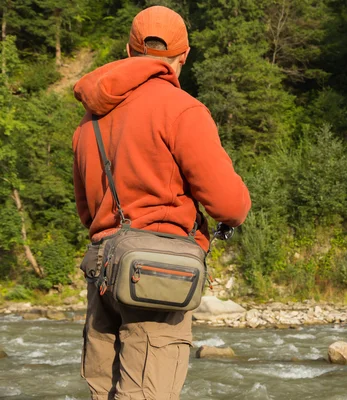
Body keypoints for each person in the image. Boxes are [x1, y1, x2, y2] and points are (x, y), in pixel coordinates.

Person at [72, 6, 251, 399]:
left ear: (128, 50)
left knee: (102, 392)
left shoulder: (89, 121)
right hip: (157, 277)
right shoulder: (183, 109)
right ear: (184, 56)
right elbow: (230, 206)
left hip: (102, 268)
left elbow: (86, 209)